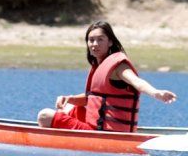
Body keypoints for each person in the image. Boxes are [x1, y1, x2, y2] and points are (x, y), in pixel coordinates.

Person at [37, 21, 177, 131]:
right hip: (96, 126)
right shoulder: (99, 64)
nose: (95, 44)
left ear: (110, 42)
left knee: (44, 116)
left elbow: (137, 82)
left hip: (105, 132)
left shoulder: (118, 66)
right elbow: (93, 99)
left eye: (100, 39)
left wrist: (156, 93)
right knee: (66, 108)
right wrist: (69, 99)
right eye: (91, 40)